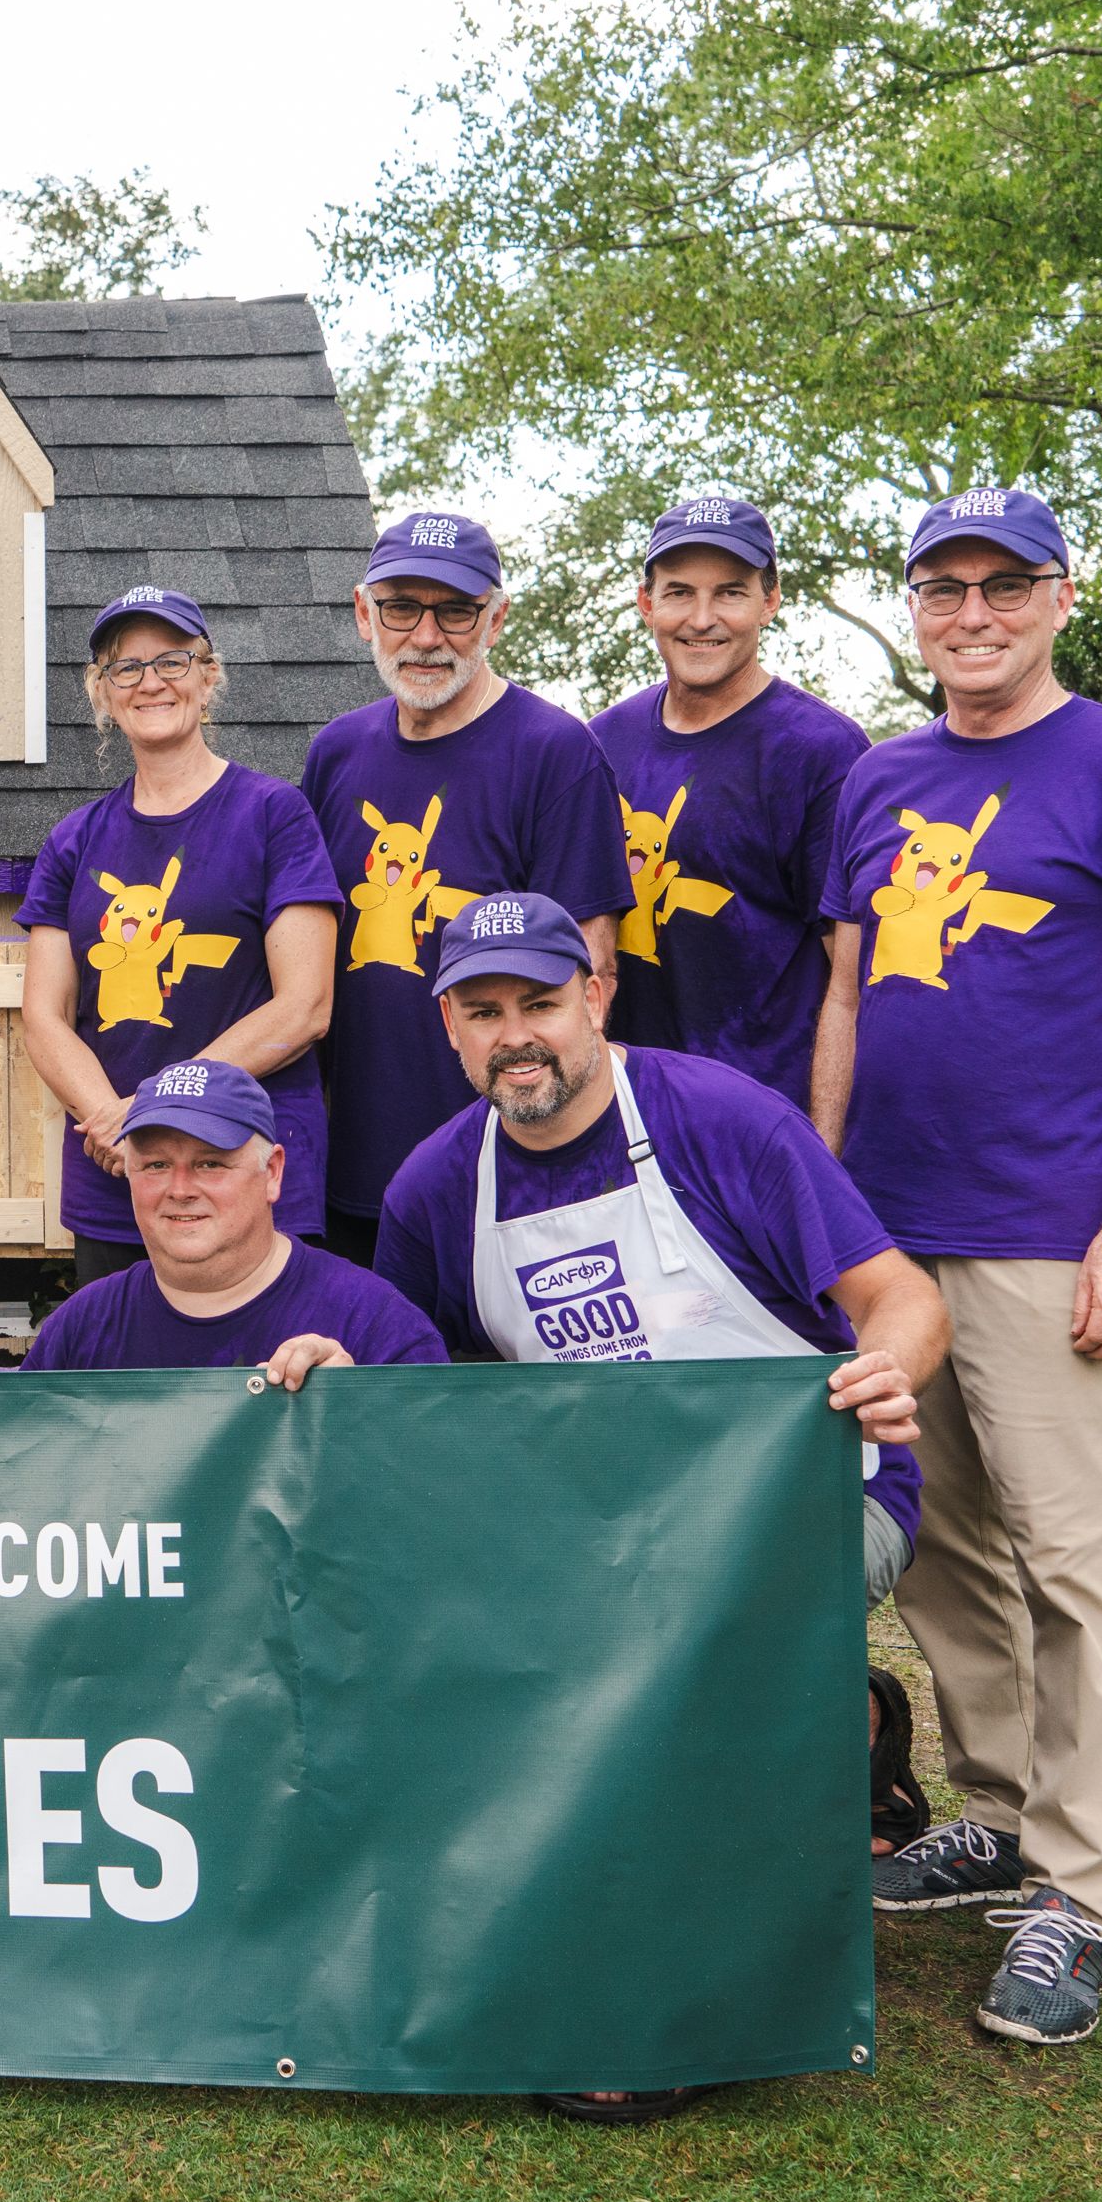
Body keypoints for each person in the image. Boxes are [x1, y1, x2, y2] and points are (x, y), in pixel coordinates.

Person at [371, 890, 947, 2125]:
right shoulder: (435, 1189)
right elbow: (407, 1395)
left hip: (808, 1496)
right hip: (591, 1521)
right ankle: (837, 1736)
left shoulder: (721, 1119)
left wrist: (889, 1367)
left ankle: (670, 1996)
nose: (517, 1035)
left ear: (597, 997)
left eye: (541, 1001)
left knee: (669, 1667)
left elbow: (902, 1298)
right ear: (449, 1029)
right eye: (484, 1012)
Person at [816, 486, 1102, 2048]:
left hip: (1051, 1232)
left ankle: (1080, 1894)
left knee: (1077, 1564)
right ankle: (997, 1807)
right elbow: (849, 1000)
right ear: (914, 605)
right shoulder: (879, 778)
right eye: (944, 586)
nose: (972, 612)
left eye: (1005, 584)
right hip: (894, 1234)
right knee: (932, 1541)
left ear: (1062, 597)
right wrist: (828, 1212)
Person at [304, 513, 635, 1263]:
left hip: (503, 1172)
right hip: (350, 1167)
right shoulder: (335, 754)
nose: (426, 636)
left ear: (496, 616)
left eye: (455, 610)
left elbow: (589, 976)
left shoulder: (556, 752)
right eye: (401, 608)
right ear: (364, 614)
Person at [21, 588, 344, 1281]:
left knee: (263, 1374)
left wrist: (158, 1104)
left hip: (248, 1168)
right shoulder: (73, 841)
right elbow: (44, 1017)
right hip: (117, 1174)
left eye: (172, 659)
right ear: (102, 693)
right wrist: (111, 1116)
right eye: (126, 668)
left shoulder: (275, 816)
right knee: (125, 1379)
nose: (151, 682)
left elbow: (307, 1006)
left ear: (207, 675)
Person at [587, 498, 869, 1104]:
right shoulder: (601, 744)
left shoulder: (823, 752)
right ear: (647, 604)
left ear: (770, 600)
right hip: (626, 1107)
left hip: (763, 1113)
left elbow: (853, 982)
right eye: (680, 592)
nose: (702, 617)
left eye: (731, 593)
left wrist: (823, 1146)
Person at [18, 1060, 443, 1379]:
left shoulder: (376, 1323)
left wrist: (362, 1410)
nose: (180, 1189)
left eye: (210, 1165)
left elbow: (438, 1480)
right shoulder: (80, 1329)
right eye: (156, 1165)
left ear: (272, 1172)